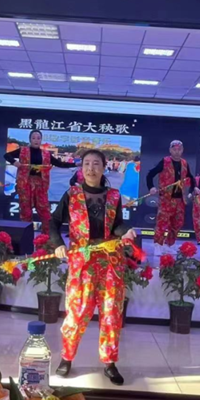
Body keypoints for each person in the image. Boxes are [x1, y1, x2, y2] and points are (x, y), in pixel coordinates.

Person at [50, 149, 136, 386]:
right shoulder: (72, 194)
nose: (91, 168)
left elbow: (116, 225)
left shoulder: (114, 196)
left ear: (104, 167)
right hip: (82, 263)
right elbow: (54, 222)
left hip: (110, 262)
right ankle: (67, 357)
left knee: (111, 313)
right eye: (87, 163)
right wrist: (58, 244)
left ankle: (109, 363)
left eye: (96, 163)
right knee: (77, 313)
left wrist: (125, 232)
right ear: (81, 168)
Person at [4, 130, 76, 230]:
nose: (36, 140)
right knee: (26, 211)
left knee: (45, 211)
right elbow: (6, 155)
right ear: (30, 139)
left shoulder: (45, 154)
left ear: (41, 140)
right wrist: (14, 162)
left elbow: (60, 164)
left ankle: (46, 237)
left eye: (38, 138)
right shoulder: (23, 151)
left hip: (40, 185)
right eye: (33, 138)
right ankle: (26, 235)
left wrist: (76, 164)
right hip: (25, 184)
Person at [147, 140, 195, 254]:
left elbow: (191, 177)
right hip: (166, 199)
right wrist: (151, 187)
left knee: (177, 223)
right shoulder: (165, 161)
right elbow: (150, 174)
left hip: (180, 200)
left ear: (182, 150)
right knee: (162, 223)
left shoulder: (184, 163)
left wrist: (193, 189)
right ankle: (158, 245)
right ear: (170, 150)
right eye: (174, 149)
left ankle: (169, 244)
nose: (177, 152)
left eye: (179, 149)